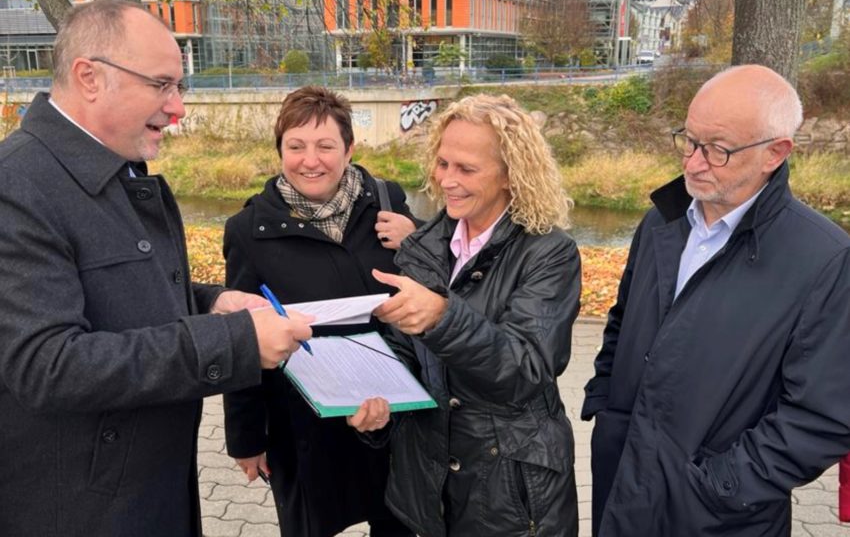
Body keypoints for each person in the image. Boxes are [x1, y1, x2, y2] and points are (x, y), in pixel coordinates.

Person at [0, 0, 312, 537]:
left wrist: (211, 301)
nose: (178, 108)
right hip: (80, 510)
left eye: (180, 88)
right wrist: (232, 341)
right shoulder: (18, 186)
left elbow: (114, 292)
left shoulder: (116, 170)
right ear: (90, 77)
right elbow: (46, 363)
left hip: (145, 491)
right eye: (161, 85)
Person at [581, 64, 850, 536]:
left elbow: (823, 416)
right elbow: (622, 322)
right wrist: (607, 405)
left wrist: (721, 486)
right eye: (689, 140)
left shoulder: (825, 260)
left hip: (717, 516)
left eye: (718, 150)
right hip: (622, 484)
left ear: (775, 153)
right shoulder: (661, 221)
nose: (693, 162)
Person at [357, 93, 581, 536]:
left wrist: (443, 317)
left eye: (466, 169)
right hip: (424, 486)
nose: (447, 181)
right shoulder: (423, 247)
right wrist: (377, 402)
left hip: (508, 495)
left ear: (510, 176)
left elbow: (526, 369)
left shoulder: (549, 253)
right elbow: (401, 352)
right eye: (443, 164)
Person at [222, 86, 417, 537]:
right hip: (302, 424)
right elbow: (241, 336)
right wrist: (247, 439)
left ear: (349, 149)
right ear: (280, 151)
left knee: (399, 524)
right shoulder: (250, 230)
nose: (311, 160)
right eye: (296, 146)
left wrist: (418, 237)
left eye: (325, 146)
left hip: (387, 412)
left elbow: (432, 284)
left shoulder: (387, 203)